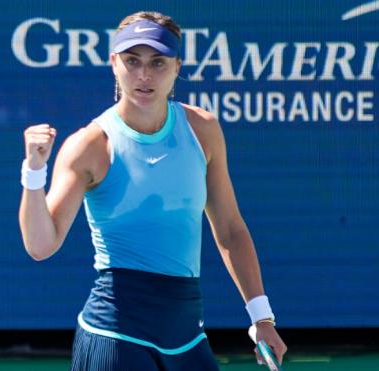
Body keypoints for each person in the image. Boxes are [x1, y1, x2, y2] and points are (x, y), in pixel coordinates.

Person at [18, 11, 287, 370]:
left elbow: (230, 230)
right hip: (115, 337)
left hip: (187, 335)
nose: (144, 75)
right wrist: (34, 172)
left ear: (177, 66)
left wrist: (262, 318)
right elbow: (40, 245)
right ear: (114, 63)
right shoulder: (90, 146)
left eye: (158, 62)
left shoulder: (203, 129)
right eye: (132, 61)